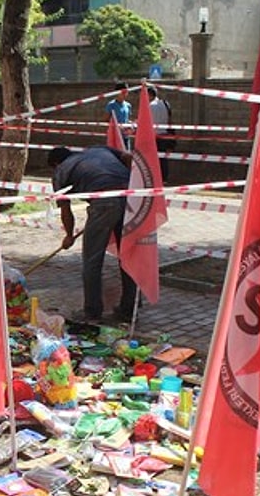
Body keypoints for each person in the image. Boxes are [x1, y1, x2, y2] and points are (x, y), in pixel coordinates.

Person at [49, 145, 137, 323]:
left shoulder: (60, 171)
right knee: (127, 256)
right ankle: (129, 309)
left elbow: (65, 210)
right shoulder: (98, 150)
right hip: (131, 197)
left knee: (92, 260)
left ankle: (92, 311)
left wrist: (68, 236)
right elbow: (128, 157)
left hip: (104, 202)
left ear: (56, 163)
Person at [147, 86, 175, 181]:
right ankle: (164, 179)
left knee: (153, 159)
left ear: (149, 95)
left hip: (154, 136)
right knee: (163, 159)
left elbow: (146, 121)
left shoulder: (149, 106)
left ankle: (155, 179)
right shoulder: (165, 104)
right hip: (165, 135)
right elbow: (170, 119)